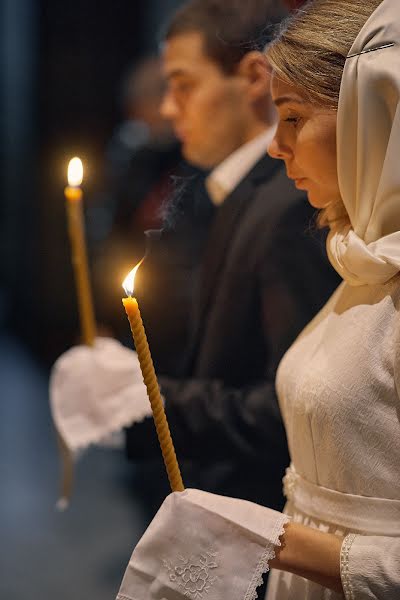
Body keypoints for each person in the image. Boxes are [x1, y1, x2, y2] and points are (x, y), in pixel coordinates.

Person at [115, 0, 400, 598]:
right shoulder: (356, 259)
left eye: (292, 118)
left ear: (372, 117)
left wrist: (272, 538)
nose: (276, 146)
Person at [124, 0, 339, 512]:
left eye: (184, 84)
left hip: (257, 504)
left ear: (251, 76)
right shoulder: (222, 187)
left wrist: (148, 402)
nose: (170, 108)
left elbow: (293, 405)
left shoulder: (292, 206)